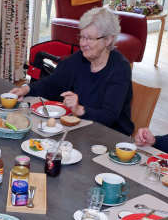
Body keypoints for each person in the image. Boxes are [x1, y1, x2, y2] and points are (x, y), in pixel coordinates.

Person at [9, 7, 133, 135]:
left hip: (111, 137)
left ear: (108, 40)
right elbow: (53, 83)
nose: (83, 44)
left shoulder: (119, 69)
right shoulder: (80, 58)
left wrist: (79, 109)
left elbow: (109, 116)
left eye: (89, 38)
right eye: (82, 37)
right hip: (80, 128)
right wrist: (26, 89)